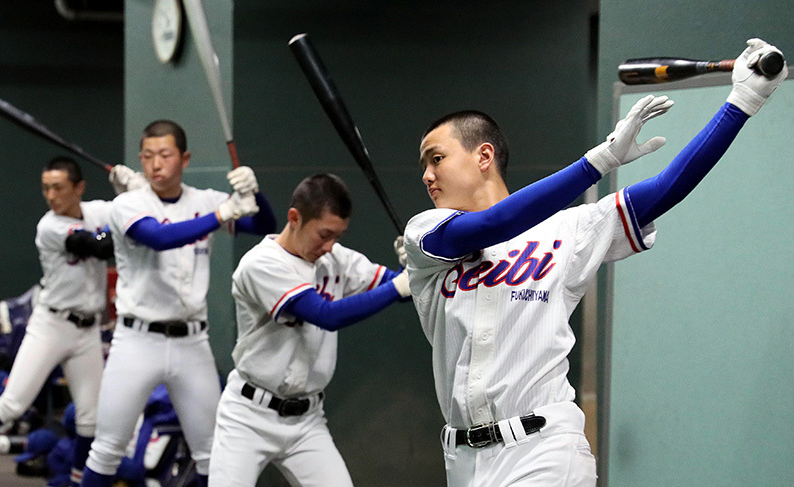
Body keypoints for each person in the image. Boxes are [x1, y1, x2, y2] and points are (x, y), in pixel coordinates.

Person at [402, 38, 786, 487]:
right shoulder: (425, 233)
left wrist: (742, 101)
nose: (427, 175)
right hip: (461, 460)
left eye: (437, 158)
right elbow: (495, 224)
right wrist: (599, 160)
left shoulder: (570, 230)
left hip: (543, 449)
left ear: (483, 156)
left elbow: (666, 189)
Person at [80, 120, 277, 487]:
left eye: (165, 155)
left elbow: (265, 225)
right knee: (106, 449)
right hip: (137, 341)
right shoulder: (127, 204)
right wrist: (223, 213)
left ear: (184, 158)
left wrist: (255, 192)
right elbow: (159, 237)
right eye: (148, 156)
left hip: (191, 342)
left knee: (212, 452)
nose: (156, 164)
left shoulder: (203, 200)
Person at [208, 173, 411, 486]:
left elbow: (394, 286)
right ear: (294, 217)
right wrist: (399, 286)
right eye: (324, 234)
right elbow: (325, 314)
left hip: (307, 420)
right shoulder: (261, 263)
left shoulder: (335, 257)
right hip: (248, 417)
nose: (330, 247)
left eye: (338, 237)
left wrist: (415, 270)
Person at [0, 156, 145, 486]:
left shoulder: (96, 211)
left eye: (58, 188)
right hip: (51, 326)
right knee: (10, 405)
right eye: (46, 188)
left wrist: (136, 192)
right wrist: (128, 204)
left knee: (90, 421)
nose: (51, 196)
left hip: (87, 331)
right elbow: (97, 246)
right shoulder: (49, 226)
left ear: (79, 189)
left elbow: (141, 214)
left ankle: (78, 482)